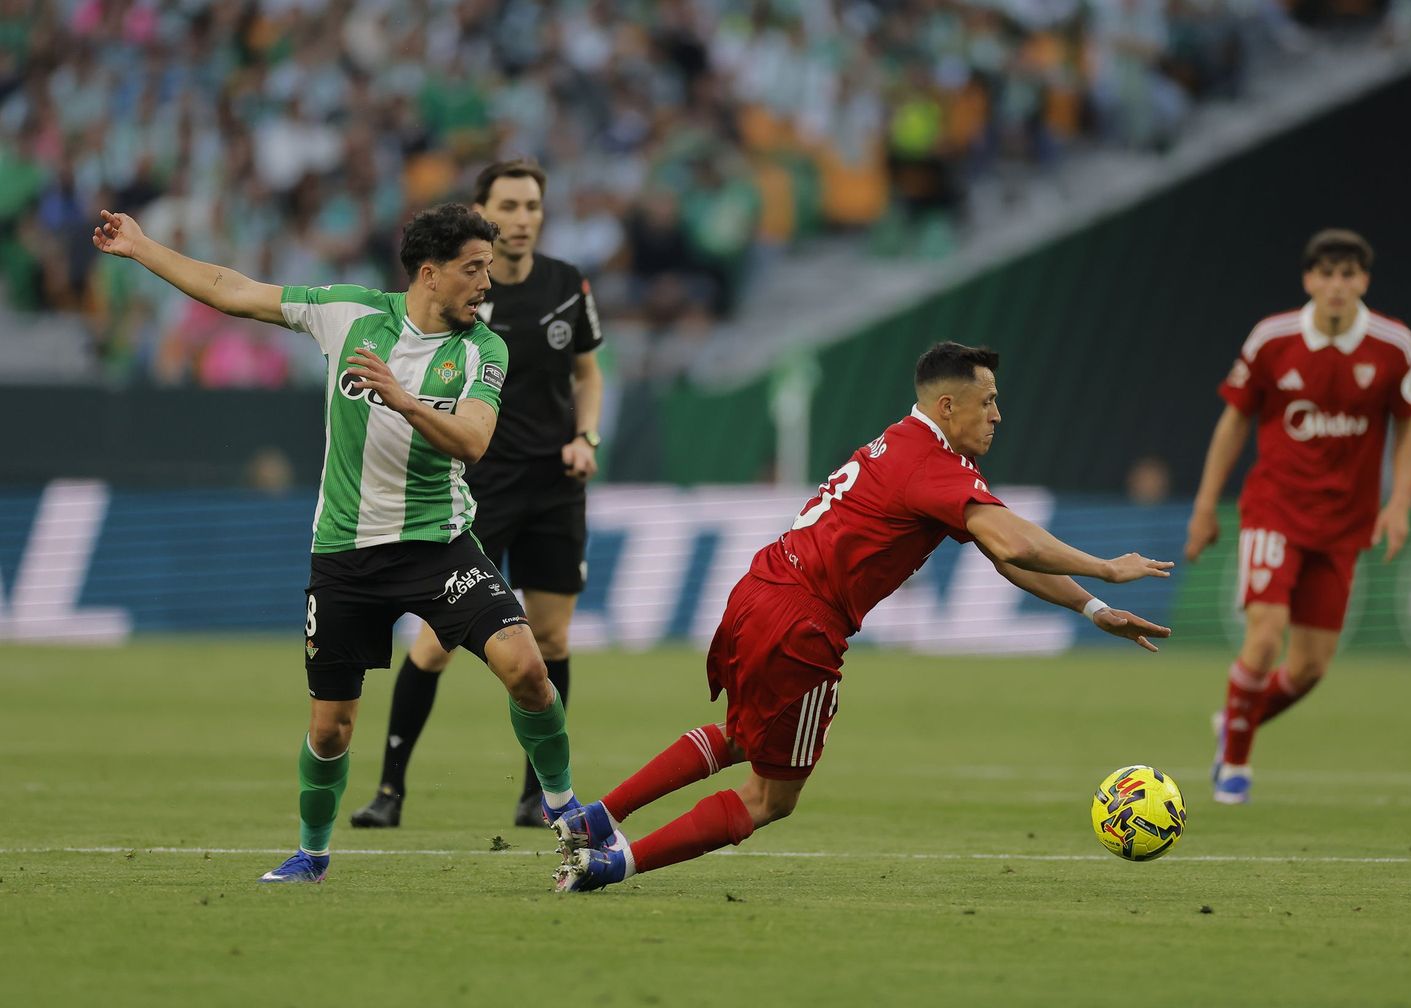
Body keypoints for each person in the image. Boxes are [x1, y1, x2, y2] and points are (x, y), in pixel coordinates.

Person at [549, 341, 1175, 892]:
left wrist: (1090, 607)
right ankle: (610, 865)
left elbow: (1001, 554)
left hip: (759, 590)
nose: (997, 414)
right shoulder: (930, 465)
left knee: (742, 734)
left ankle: (595, 818)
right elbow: (1012, 542)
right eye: (987, 400)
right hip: (803, 623)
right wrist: (1106, 569)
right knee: (771, 798)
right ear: (948, 406)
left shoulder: (901, 444)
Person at [89, 203, 579, 883]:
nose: (486, 283)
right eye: (474, 269)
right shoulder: (347, 312)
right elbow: (232, 288)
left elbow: (472, 441)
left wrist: (402, 398)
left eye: (489, 269)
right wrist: (143, 248)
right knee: (331, 730)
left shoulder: (482, 349)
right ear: (430, 274)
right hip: (346, 555)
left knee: (528, 668)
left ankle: (569, 813)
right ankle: (312, 855)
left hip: (438, 545)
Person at [349, 158, 604, 830]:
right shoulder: (465, 292)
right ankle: (389, 791)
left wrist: (588, 437)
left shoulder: (567, 285)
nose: (523, 219)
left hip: (554, 485)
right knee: (432, 643)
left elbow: (588, 374)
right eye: (509, 207)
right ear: (484, 213)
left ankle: (535, 796)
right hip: (477, 485)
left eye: (532, 207)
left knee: (549, 640)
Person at [1184, 228, 1411, 805]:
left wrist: (1399, 504)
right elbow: (1235, 420)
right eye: (1327, 273)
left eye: (1349, 274)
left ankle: (1234, 722)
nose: (1338, 285)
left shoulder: (1393, 345)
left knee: (1310, 668)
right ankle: (1235, 768)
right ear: (1308, 280)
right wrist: (1204, 504)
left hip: (1345, 522)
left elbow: (1409, 424)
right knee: (1264, 637)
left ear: (1364, 281)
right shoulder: (1273, 339)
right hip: (1276, 508)